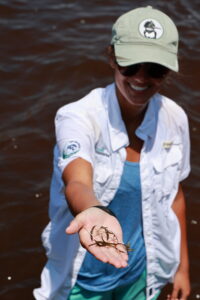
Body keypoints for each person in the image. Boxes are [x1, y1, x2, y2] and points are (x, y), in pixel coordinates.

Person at [34, 6, 191, 300]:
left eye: (155, 69)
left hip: (143, 274)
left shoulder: (175, 118)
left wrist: (182, 267)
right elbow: (77, 180)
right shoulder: (77, 117)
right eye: (130, 65)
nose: (141, 79)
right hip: (81, 281)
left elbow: (176, 196)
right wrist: (93, 211)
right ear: (111, 57)